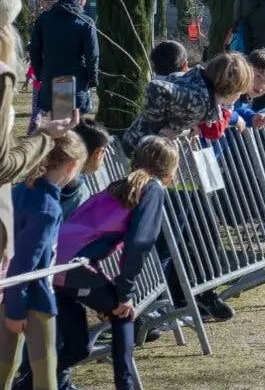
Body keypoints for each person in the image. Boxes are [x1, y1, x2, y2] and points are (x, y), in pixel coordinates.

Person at [52, 137, 179, 390]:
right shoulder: (151, 189)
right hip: (74, 267)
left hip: (54, 265)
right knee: (123, 315)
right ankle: (126, 385)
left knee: (77, 348)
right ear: (169, 169)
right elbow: (140, 241)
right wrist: (126, 291)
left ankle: (30, 379)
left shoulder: (120, 186)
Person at [0, 0, 80, 279]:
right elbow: (3, 164)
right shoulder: (2, 74)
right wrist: (46, 135)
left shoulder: (44, 21)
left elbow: (35, 51)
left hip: (46, 82)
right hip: (66, 87)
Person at [0, 134, 86, 390]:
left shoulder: (17, 191)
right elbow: (24, 263)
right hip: (35, 297)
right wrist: (16, 311)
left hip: (8, 293)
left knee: (4, 362)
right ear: (71, 166)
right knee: (45, 365)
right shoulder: (48, 207)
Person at [119, 53, 256, 158]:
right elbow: (156, 88)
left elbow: (173, 79)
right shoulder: (200, 102)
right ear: (230, 87)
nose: (240, 95)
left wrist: (190, 125)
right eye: (239, 91)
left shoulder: (198, 80)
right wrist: (158, 128)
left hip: (144, 146)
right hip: (140, 148)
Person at [29, 0, 98, 123]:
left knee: (54, 127)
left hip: (51, 78)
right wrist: (93, 79)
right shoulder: (86, 22)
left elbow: (35, 49)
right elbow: (92, 56)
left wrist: (39, 73)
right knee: (75, 129)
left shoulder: (44, 19)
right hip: (76, 82)